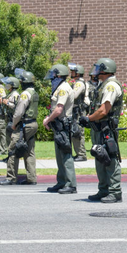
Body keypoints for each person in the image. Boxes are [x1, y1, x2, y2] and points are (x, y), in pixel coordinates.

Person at [80, 58, 124, 203]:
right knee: (100, 158)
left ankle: (115, 192)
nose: (96, 71)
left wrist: (89, 118)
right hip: (99, 128)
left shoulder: (110, 86)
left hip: (106, 129)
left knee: (110, 159)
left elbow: (104, 110)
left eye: (99, 69)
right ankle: (103, 190)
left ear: (105, 70)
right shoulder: (102, 85)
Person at [0, 69, 39, 186]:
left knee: (12, 150)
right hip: (33, 124)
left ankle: (11, 178)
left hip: (24, 125)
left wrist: (14, 124)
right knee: (29, 151)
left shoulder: (25, 94)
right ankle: (31, 178)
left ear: (24, 82)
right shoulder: (34, 93)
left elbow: (19, 112)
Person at [44, 64, 77, 194]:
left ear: (58, 75)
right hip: (58, 126)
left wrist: (47, 119)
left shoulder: (63, 88)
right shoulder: (59, 87)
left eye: (53, 75)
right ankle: (62, 182)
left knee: (66, 155)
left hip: (63, 125)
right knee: (59, 156)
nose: (52, 78)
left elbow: (58, 109)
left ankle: (71, 184)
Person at [0, 76, 21, 162]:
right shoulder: (10, 93)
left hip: (13, 119)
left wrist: (7, 103)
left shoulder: (15, 94)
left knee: (12, 139)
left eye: (8, 84)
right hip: (8, 118)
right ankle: (9, 156)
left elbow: (16, 106)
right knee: (8, 139)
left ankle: (12, 157)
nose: (6, 85)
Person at [69, 63, 90, 162]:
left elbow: (74, 95)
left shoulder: (79, 84)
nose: (71, 73)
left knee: (77, 132)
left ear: (77, 73)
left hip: (78, 112)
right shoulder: (79, 82)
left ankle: (81, 154)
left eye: (73, 71)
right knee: (76, 132)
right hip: (77, 111)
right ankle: (79, 153)